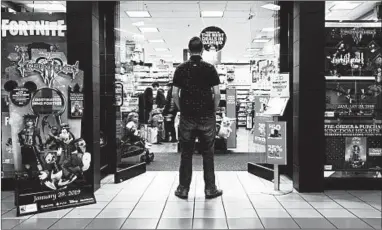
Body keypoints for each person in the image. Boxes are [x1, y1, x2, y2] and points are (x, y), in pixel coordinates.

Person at [172, 36, 222, 199]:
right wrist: (212, 111)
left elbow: (174, 94)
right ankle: (210, 189)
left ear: (189, 49)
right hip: (206, 117)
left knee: (186, 153)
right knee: (208, 153)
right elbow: (216, 94)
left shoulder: (180, 69)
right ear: (202, 50)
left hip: (188, 118)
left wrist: (182, 109)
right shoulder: (210, 68)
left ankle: (183, 189)